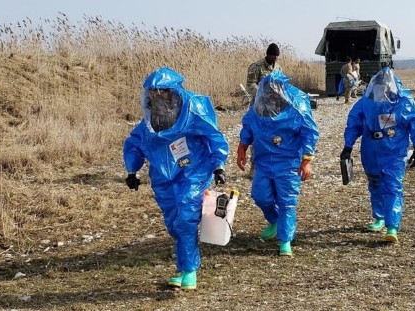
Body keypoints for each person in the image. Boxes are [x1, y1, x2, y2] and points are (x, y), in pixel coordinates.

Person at [123, 67, 229, 290]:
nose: (157, 98)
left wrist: (218, 165)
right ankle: (184, 267)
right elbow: (135, 143)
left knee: (184, 217)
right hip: (163, 177)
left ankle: (189, 271)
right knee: (173, 222)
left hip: (194, 171)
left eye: (162, 93)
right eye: (153, 94)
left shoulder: (192, 110)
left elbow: (213, 136)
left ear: (172, 94)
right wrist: (132, 171)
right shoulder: (151, 122)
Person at [236, 70, 319, 257]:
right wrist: (242, 148)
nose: (272, 95)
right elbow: (248, 127)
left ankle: (285, 240)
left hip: (289, 162)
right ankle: (274, 220)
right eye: (268, 91)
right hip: (263, 161)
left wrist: (307, 160)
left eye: (275, 91)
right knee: (260, 196)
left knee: (287, 202)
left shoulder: (295, 108)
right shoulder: (258, 109)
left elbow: (309, 132)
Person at [340, 67, 415, 243]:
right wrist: (348, 146)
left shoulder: (403, 101)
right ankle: (379, 217)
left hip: (394, 152)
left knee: (393, 186)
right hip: (371, 150)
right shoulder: (366, 102)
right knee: (375, 184)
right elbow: (353, 124)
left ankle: (392, 226)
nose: (381, 91)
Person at [245, 43, 283, 176]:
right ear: (268, 55)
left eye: (277, 57)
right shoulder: (256, 67)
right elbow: (250, 85)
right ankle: (254, 167)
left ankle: (270, 166)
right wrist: (264, 93)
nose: (276, 59)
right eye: (274, 56)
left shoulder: (278, 68)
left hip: (273, 109)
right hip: (259, 107)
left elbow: (281, 85)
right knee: (257, 136)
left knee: (274, 137)